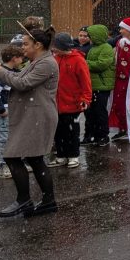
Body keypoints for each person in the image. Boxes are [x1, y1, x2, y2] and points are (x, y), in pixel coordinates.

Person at [0, 22, 60, 218]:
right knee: (34, 159)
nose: (22, 48)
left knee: (13, 157)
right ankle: (48, 201)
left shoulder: (47, 63)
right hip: (33, 117)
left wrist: (0, 71)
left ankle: (24, 200)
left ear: (37, 45)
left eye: (25, 44)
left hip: (38, 117)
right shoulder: (37, 62)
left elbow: (23, 84)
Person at [49, 33, 92, 169]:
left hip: (73, 103)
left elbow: (86, 82)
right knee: (59, 131)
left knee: (72, 131)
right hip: (57, 103)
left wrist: (85, 98)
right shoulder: (55, 59)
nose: (53, 48)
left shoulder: (78, 60)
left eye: (55, 46)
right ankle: (61, 155)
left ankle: (73, 155)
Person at [0, 45, 26, 180]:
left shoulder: (12, 71)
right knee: (5, 138)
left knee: (12, 137)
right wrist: (1, 108)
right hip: (5, 111)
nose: (23, 60)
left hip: (11, 109)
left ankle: (13, 163)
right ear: (14, 58)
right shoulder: (2, 73)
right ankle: (4, 166)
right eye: (21, 58)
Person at [83, 24, 115, 147]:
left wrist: (85, 63)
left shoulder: (106, 48)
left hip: (102, 86)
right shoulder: (93, 48)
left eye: (90, 35)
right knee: (90, 113)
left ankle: (103, 136)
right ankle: (91, 135)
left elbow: (101, 64)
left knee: (100, 112)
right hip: (93, 85)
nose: (88, 38)